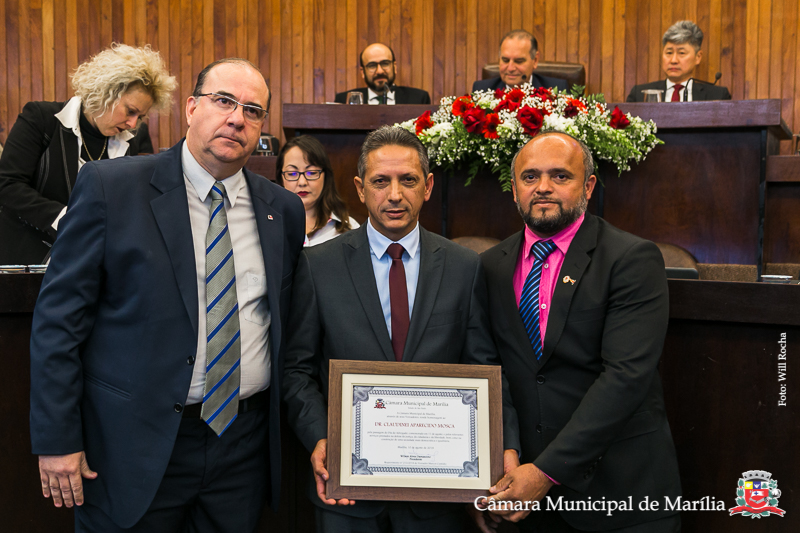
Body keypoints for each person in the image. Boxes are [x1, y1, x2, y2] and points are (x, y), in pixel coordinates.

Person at [29, 57, 305, 532]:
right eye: (224, 101)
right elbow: (58, 323)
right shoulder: (111, 188)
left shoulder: (282, 208)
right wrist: (57, 438)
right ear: (192, 108)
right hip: (131, 446)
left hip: (240, 448)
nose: (237, 118)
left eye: (253, 110)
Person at [282, 125, 520, 532]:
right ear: (360, 189)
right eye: (380, 181)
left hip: (437, 497)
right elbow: (297, 370)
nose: (394, 195)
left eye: (407, 180)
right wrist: (321, 437)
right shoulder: (317, 266)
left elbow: (484, 368)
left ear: (428, 186)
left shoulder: (464, 267)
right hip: (346, 493)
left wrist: (504, 445)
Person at [478, 132, 681, 532]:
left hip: (620, 496)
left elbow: (626, 377)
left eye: (560, 176)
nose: (543, 187)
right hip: (523, 500)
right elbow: (490, 370)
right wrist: (506, 453)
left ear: (587, 186)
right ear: (514, 189)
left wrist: (546, 472)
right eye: (530, 176)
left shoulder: (630, 259)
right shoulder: (490, 265)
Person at [0, 43, 176, 265]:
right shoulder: (40, 119)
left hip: (89, 266)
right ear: (105, 92)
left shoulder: (127, 142)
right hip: (29, 261)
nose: (133, 124)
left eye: (139, 117)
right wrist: (66, 219)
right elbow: (7, 184)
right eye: (130, 111)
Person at [277, 135, 360, 246]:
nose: (302, 182)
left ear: (325, 176)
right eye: (292, 173)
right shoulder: (267, 226)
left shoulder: (350, 229)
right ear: (281, 178)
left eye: (311, 172)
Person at [626, 20, 732, 102]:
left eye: (681, 53)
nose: (673, 60)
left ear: (698, 57)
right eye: (669, 52)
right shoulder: (639, 94)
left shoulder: (717, 96)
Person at [472, 30, 567, 93]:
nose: (510, 68)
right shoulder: (481, 90)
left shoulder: (557, 90)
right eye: (505, 60)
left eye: (519, 61)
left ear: (535, 60)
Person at [334, 43, 431, 105]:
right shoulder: (344, 100)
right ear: (363, 72)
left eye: (385, 64)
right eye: (372, 65)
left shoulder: (419, 99)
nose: (379, 71)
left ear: (394, 67)